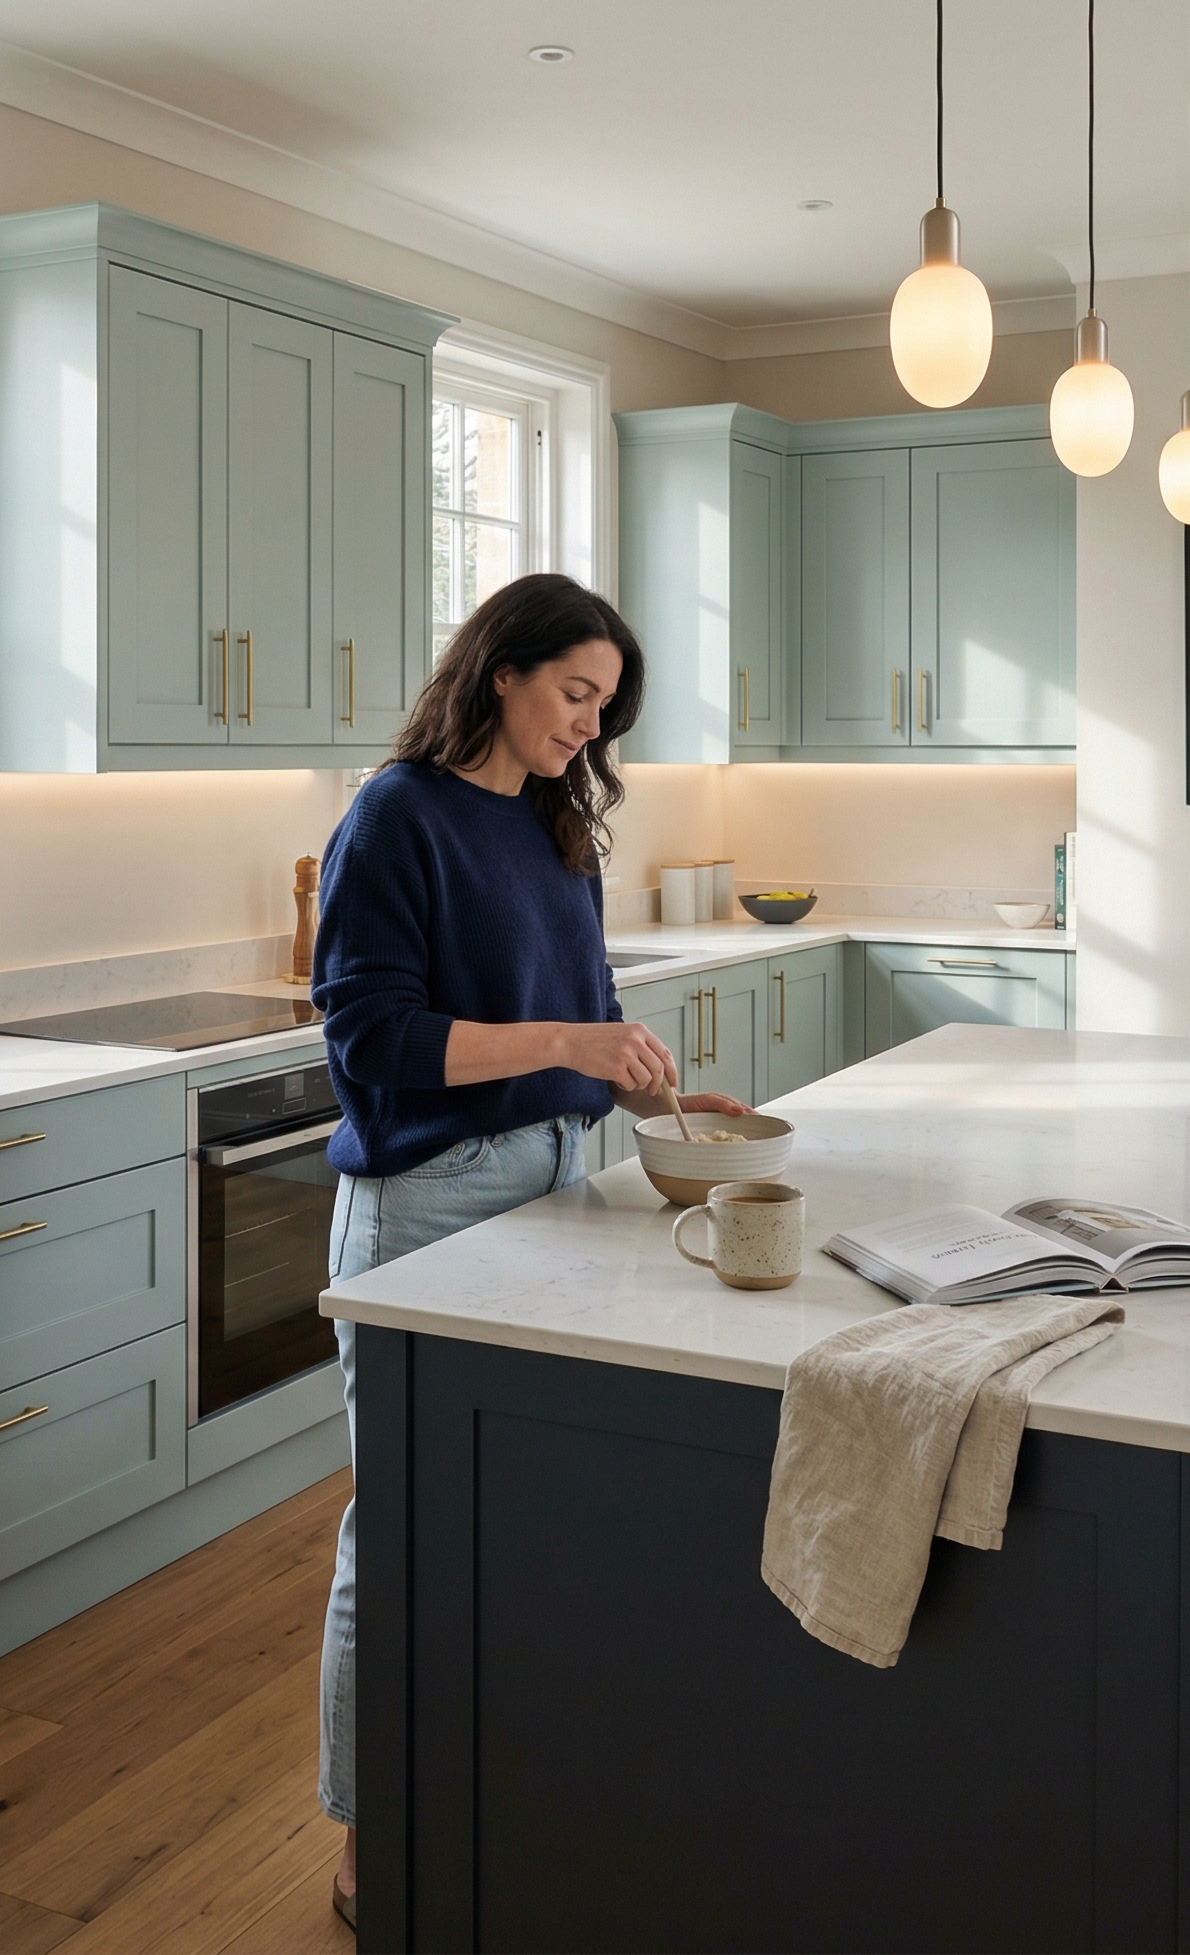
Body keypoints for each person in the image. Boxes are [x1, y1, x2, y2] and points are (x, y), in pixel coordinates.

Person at [309, 574, 749, 1931]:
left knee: (539, 1513)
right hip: (429, 1209)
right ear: (501, 672)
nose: (588, 727)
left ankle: (519, 1789)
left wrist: (636, 1083)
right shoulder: (397, 818)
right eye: (575, 694)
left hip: (562, 1184)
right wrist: (571, 1045)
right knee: (399, 1532)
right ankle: (374, 1836)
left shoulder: (563, 826)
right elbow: (373, 1040)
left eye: (604, 708)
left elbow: (582, 1008)